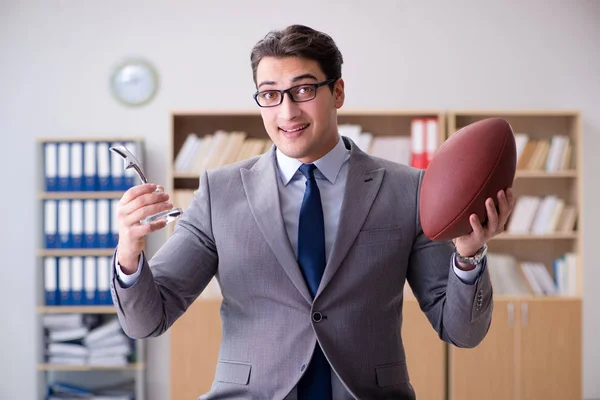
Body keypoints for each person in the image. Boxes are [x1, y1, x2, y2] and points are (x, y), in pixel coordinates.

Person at [111, 24, 515, 400]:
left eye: (303, 90)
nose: (287, 112)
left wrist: (468, 255)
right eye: (270, 94)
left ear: (337, 92)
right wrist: (129, 250)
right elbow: (148, 320)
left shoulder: (408, 189)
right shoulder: (221, 192)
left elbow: (462, 331)